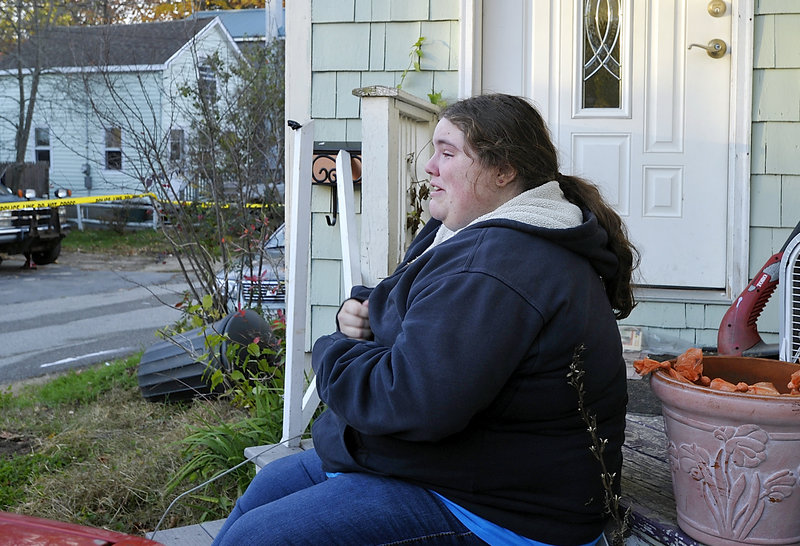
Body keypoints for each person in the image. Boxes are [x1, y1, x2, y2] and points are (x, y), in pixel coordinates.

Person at [211, 93, 638, 546]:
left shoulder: (500, 265)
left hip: (505, 512)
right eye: (433, 150)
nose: (429, 166)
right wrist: (365, 310)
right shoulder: (468, 233)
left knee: (256, 539)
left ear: (504, 171)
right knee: (268, 486)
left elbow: (407, 400)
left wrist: (332, 350)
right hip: (451, 468)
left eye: (448, 153)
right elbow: (417, 302)